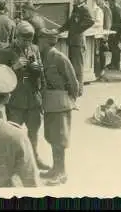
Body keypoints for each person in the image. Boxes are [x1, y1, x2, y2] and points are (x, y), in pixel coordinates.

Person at [0, 21, 50, 170]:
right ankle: (14, 163)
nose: (27, 43)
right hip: (16, 100)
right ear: (16, 37)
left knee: (34, 133)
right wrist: (14, 67)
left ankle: (34, 159)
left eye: (30, 40)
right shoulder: (6, 52)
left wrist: (36, 68)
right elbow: (0, 76)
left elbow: (41, 73)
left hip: (33, 98)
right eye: (24, 40)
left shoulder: (34, 49)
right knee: (14, 134)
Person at [37, 29, 80, 186]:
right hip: (49, 102)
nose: (38, 43)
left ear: (47, 41)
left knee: (59, 139)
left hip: (60, 103)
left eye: (40, 40)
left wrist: (70, 100)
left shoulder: (59, 57)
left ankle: (62, 173)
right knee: (51, 136)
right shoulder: (43, 56)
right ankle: (55, 168)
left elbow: (73, 82)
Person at [57, 0, 95, 96]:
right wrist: (58, 30)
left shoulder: (84, 9)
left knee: (78, 67)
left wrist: (77, 29)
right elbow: (69, 23)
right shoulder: (76, 8)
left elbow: (90, 21)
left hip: (78, 42)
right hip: (72, 41)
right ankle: (74, 87)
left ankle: (79, 90)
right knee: (73, 66)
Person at [107, 0, 121, 71]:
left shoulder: (116, 8)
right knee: (113, 47)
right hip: (114, 29)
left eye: (109, 0)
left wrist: (115, 31)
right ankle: (113, 62)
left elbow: (118, 21)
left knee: (115, 47)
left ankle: (116, 64)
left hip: (115, 30)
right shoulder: (114, 7)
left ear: (111, 0)